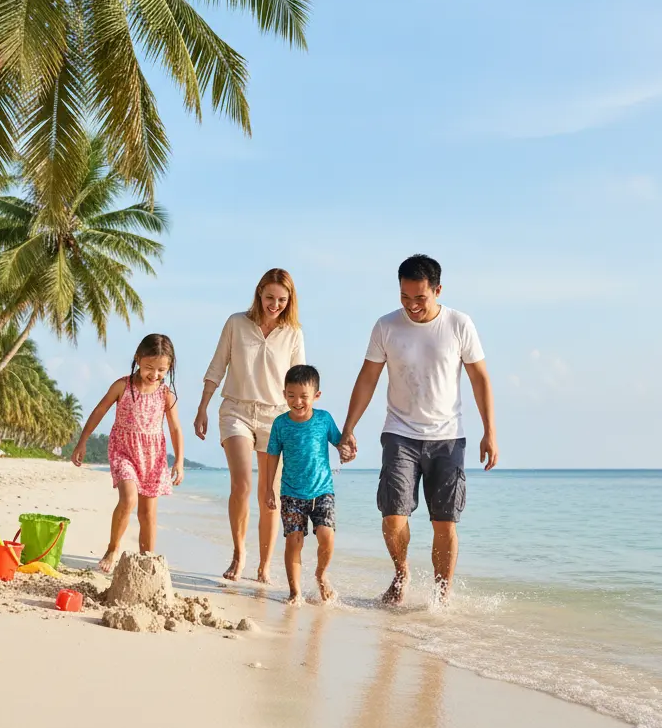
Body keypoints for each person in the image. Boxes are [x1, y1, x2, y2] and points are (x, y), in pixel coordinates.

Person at [339, 255, 498, 605]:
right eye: (404, 297)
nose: (411, 305)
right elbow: (368, 377)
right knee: (393, 516)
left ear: (437, 290)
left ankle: (442, 597)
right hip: (399, 433)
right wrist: (349, 427)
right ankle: (401, 572)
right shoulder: (386, 327)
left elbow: (479, 378)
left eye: (420, 298)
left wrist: (490, 431)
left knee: (445, 524)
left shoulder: (459, 324)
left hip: (448, 437)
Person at [194, 269, 305, 583]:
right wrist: (202, 406)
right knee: (241, 485)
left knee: (269, 494)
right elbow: (217, 365)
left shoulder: (293, 332)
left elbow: (299, 380)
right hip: (236, 412)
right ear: (259, 293)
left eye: (282, 300)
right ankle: (239, 554)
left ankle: (264, 565)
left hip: (277, 417)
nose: (275, 305)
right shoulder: (236, 323)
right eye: (269, 297)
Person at [72, 334, 185, 573]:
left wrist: (180, 461)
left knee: (147, 513)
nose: (154, 374)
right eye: (149, 368)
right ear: (137, 359)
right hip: (124, 451)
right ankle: (113, 548)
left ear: (170, 367)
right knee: (129, 499)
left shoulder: (166, 395)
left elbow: (175, 428)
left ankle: (147, 560)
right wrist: (82, 442)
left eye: (162, 370)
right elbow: (98, 411)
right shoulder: (122, 386)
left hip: (153, 456)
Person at [264, 364, 343, 605]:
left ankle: (321, 574)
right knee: (294, 540)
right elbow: (272, 456)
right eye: (291, 396)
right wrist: (269, 488)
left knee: (327, 536)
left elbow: (340, 442)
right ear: (284, 393)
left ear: (316, 396)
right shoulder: (280, 424)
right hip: (291, 493)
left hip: (322, 491)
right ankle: (295, 591)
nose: (297, 402)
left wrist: (347, 447)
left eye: (303, 397)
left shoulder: (324, 419)